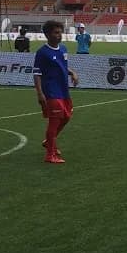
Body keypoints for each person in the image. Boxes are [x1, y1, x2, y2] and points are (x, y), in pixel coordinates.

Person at [33, 20, 79, 164]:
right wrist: (40, 93)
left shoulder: (63, 49)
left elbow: (62, 66)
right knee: (54, 122)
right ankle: (50, 154)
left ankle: (49, 142)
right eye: (56, 32)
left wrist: (72, 73)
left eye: (60, 32)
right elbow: (37, 73)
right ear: (47, 34)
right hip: (51, 92)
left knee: (67, 117)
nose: (59, 35)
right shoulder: (42, 53)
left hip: (63, 90)